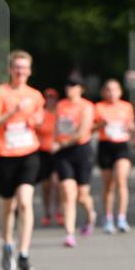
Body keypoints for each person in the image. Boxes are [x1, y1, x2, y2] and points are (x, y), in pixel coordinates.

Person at [0, 51, 45, 270]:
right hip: (4, 154)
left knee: (25, 202)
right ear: (10, 70)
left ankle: (24, 252)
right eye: (17, 67)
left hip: (28, 153)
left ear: (29, 71)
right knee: (7, 206)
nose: (20, 71)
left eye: (24, 68)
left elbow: (40, 120)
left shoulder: (35, 95)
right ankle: (7, 244)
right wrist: (11, 112)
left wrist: (36, 120)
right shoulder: (0, 93)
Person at [52, 76, 96, 246]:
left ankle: (90, 215)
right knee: (68, 192)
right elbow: (57, 128)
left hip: (81, 151)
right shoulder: (61, 105)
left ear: (81, 89)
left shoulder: (86, 106)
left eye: (74, 85)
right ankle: (69, 233)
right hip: (63, 153)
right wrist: (55, 142)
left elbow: (82, 132)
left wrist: (61, 143)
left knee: (82, 195)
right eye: (68, 85)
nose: (70, 88)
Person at [93, 79, 135, 234]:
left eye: (115, 89)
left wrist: (131, 128)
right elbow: (90, 128)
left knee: (121, 179)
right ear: (104, 92)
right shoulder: (98, 107)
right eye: (108, 90)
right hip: (105, 146)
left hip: (121, 146)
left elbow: (132, 127)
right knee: (108, 185)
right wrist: (100, 125)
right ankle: (108, 218)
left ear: (120, 91)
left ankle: (122, 218)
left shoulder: (126, 107)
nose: (112, 93)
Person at [35, 88, 60, 226]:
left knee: (57, 183)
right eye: (48, 97)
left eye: (53, 97)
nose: (50, 100)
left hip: (57, 152)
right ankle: (47, 212)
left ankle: (58, 210)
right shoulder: (41, 114)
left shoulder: (60, 113)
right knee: (46, 185)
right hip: (43, 152)